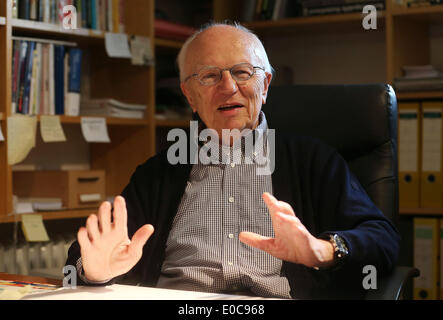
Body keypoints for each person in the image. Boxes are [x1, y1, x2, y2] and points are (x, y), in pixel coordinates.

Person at [66, 22, 400, 299]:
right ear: (190, 96)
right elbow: (88, 257)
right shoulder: (159, 172)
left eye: (242, 72)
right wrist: (95, 272)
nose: (228, 87)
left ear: (265, 84)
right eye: (209, 76)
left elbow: (383, 239)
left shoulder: (312, 161)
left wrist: (323, 250)